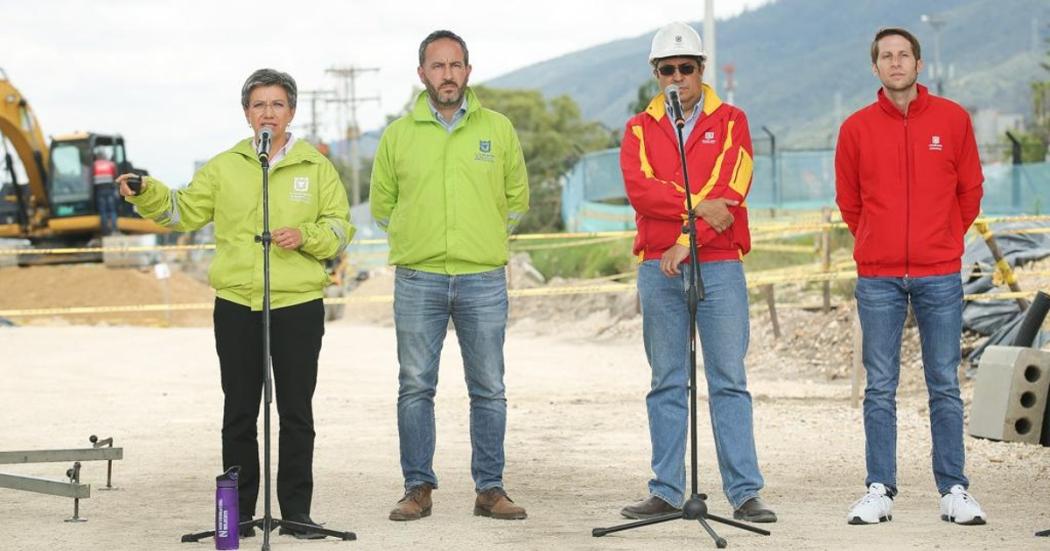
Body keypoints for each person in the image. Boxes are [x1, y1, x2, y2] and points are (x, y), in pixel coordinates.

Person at [116, 68, 354, 538]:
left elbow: (341, 229)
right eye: (259, 104)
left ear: (292, 112)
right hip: (237, 305)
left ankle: (298, 514)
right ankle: (239, 516)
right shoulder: (224, 167)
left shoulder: (316, 167)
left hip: (298, 303)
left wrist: (304, 235)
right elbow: (182, 210)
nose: (268, 112)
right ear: (247, 114)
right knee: (240, 410)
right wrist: (147, 192)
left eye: (277, 104)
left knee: (296, 411)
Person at [617, 21, 775, 523]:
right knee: (666, 379)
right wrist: (698, 208)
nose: (678, 77)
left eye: (687, 68)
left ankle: (744, 492)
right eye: (669, 69)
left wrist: (687, 240)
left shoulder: (733, 120)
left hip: (719, 265)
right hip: (658, 269)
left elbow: (730, 197)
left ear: (701, 69)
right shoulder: (639, 128)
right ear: (655, 73)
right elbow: (642, 190)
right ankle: (665, 490)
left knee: (729, 379)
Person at [370, 29, 529, 522]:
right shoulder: (398, 135)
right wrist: (418, 239)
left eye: (455, 65)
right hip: (418, 279)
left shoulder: (497, 129)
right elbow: (381, 205)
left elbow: (517, 199)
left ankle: (490, 489)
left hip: (482, 278)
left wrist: (481, 239)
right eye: (437, 66)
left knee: (489, 388)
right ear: (422, 74)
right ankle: (417, 487)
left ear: (468, 71)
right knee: (415, 386)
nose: (447, 74)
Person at [835, 27, 986, 526]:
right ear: (874, 68)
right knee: (880, 387)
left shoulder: (953, 119)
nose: (895, 62)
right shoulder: (855, 129)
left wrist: (942, 240)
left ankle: (954, 490)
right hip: (877, 277)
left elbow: (970, 191)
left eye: (904, 55)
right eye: (886, 56)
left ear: (919, 65)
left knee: (944, 383)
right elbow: (850, 201)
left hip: (939, 273)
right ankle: (879, 489)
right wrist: (875, 242)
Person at [92, 151, 119, 235]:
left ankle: (105, 230)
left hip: (100, 190)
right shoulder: (111, 164)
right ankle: (114, 229)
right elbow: (115, 176)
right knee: (112, 210)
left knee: (103, 211)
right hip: (109, 189)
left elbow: (90, 177)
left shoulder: (94, 165)